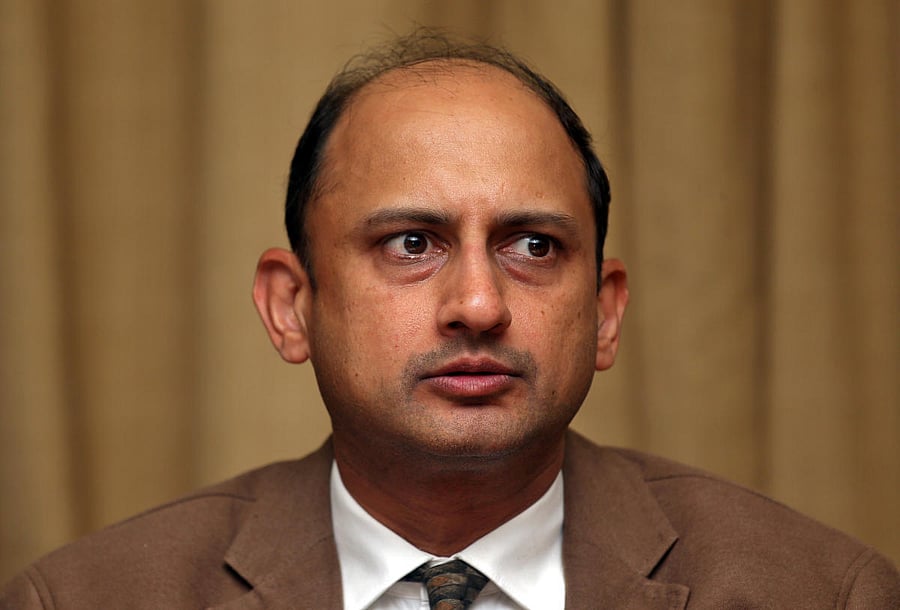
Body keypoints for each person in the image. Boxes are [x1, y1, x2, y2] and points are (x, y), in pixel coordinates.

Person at [2, 31, 898, 610]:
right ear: (291, 306)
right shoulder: (85, 597)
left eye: (535, 247)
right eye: (410, 243)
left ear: (606, 311)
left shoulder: (823, 592)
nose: (478, 304)